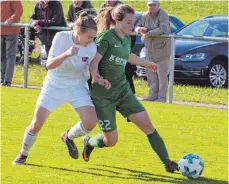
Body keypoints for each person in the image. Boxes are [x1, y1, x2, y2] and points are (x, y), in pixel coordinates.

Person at [82, 4, 178, 173]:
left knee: (148, 126)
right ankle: (89, 142)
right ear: (117, 20)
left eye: (133, 22)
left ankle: (167, 162)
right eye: (128, 22)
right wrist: (96, 77)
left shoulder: (126, 39)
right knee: (111, 141)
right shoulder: (105, 37)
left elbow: (128, 56)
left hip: (123, 92)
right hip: (103, 96)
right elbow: (94, 61)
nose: (131, 26)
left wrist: (147, 63)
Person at [12, 12, 104, 165]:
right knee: (36, 124)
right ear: (78, 32)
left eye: (94, 38)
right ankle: (23, 154)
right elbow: (49, 65)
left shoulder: (91, 47)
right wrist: (67, 54)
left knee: (90, 122)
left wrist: (97, 78)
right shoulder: (62, 37)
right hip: (54, 85)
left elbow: (91, 67)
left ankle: (68, 136)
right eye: (89, 37)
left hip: (76, 86)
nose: (91, 41)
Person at [135, 0, 171, 103]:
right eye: (149, 5)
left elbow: (163, 29)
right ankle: (152, 95)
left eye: (153, 5)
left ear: (158, 5)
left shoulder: (163, 15)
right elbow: (137, 26)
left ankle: (161, 98)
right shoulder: (144, 15)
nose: (151, 7)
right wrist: (139, 29)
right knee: (151, 75)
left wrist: (149, 33)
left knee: (162, 76)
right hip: (149, 50)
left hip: (162, 50)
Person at [1, 0, 23, 86]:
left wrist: (12, 19)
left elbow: (19, 10)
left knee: (10, 57)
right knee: (1, 57)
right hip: (1, 31)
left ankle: (7, 81)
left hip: (11, 32)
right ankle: (2, 79)